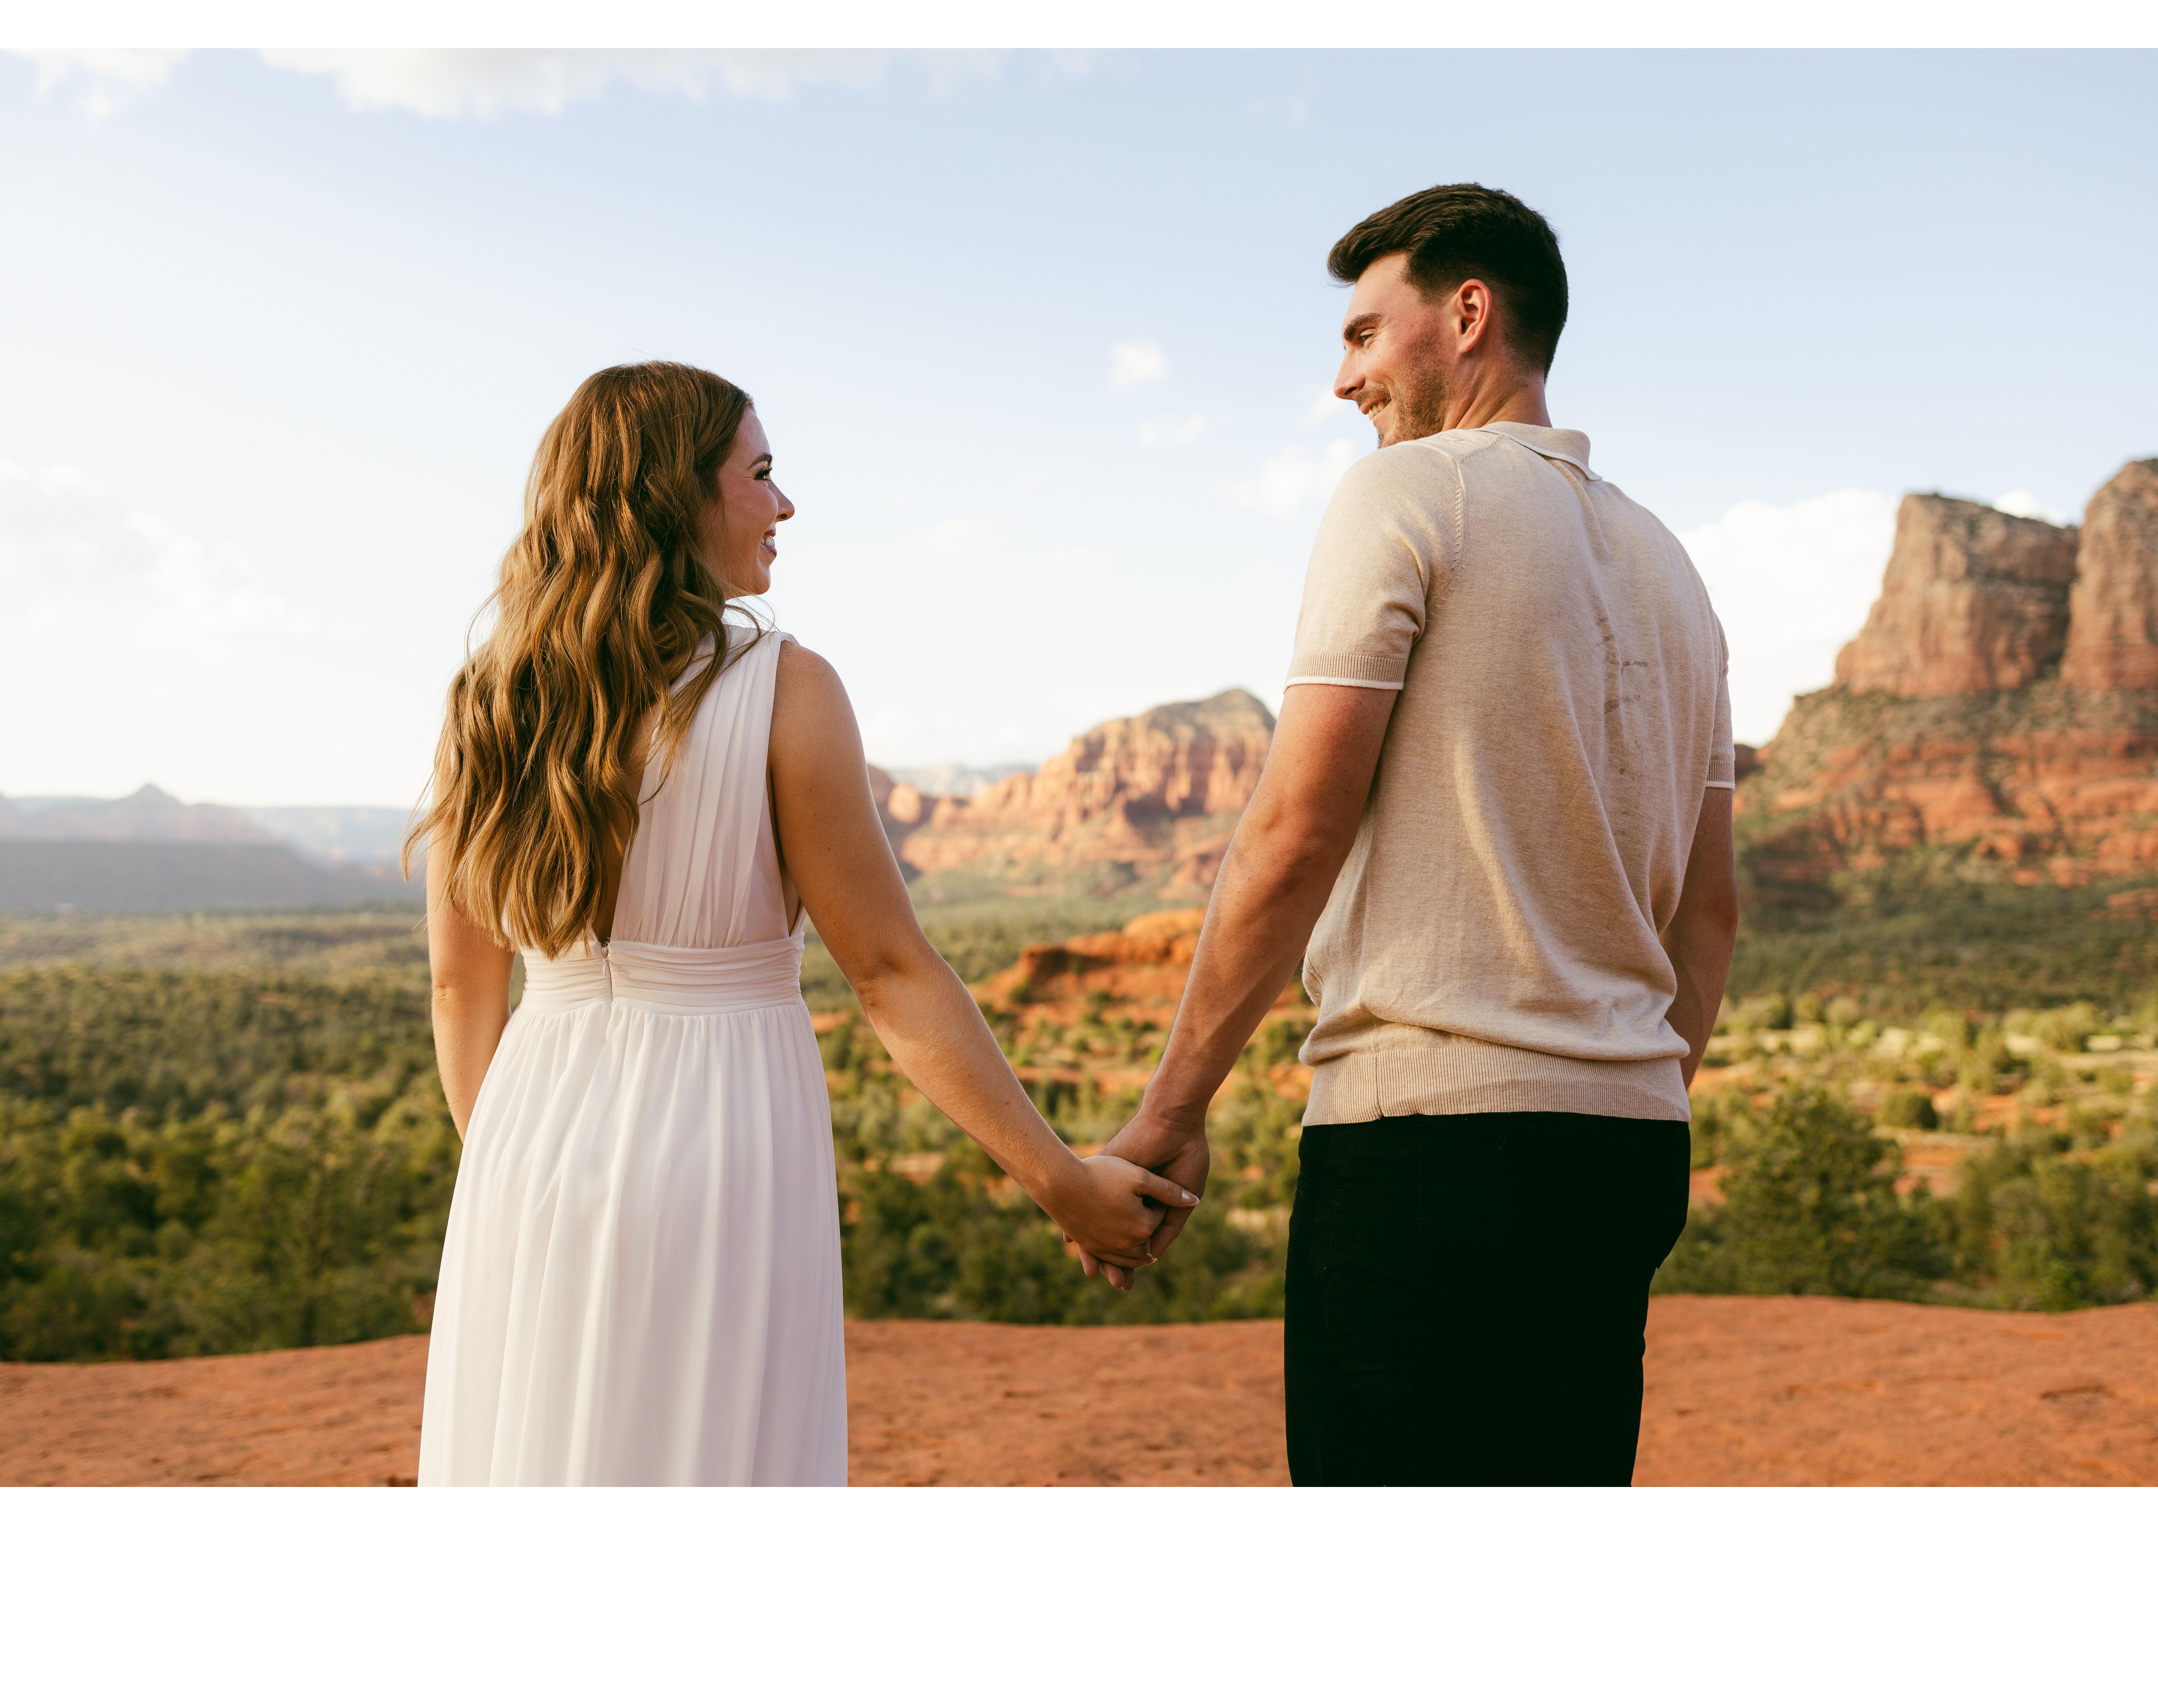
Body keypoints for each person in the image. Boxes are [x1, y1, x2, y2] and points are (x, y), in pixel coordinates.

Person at [413, 362, 1194, 1485]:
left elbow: (459, 989)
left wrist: (513, 1167)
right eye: (762, 474)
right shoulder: (785, 688)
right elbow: (889, 974)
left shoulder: (488, 701)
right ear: (676, 495)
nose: (784, 504)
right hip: (723, 1139)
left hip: (524, 1140)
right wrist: (1060, 1180)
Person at [1086, 184, 1739, 1486]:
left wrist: (1174, 1108)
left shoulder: (1408, 495)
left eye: (1364, 335)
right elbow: (1711, 911)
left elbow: (1298, 827)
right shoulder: (1676, 568)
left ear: (1469, 314)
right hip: (1628, 1150)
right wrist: (1629, 1089)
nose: (1345, 380)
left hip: (1429, 1143)